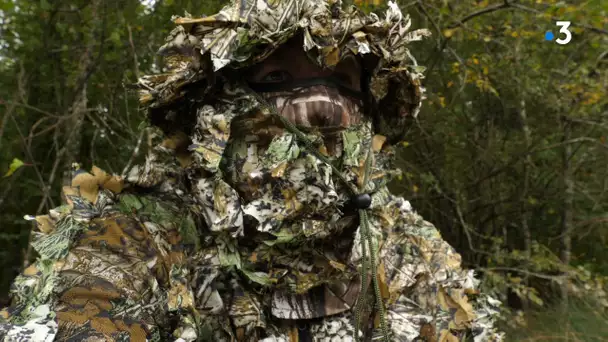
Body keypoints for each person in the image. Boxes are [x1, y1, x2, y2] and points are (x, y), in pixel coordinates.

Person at [0, 0, 503, 341]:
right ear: (213, 108)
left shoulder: (407, 247)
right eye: (278, 77)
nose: (323, 107)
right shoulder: (132, 240)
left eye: (343, 82)